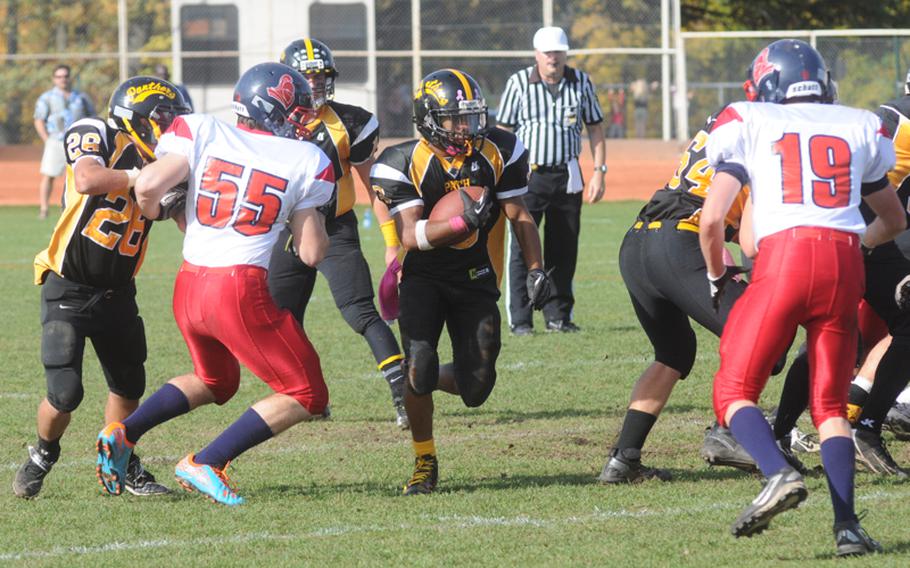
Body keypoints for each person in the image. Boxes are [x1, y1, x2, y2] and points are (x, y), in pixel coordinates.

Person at [95, 62, 335, 506]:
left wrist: (156, 210)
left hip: (189, 284)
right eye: (297, 113)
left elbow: (148, 186)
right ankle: (209, 460)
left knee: (217, 379)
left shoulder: (201, 128)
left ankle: (124, 432)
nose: (302, 122)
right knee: (307, 392)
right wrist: (315, 213)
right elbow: (311, 254)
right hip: (238, 289)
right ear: (275, 109)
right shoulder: (306, 160)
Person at [700, 39, 905, 555]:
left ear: (768, 84)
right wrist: (854, 243)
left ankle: (777, 473)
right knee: (831, 406)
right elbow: (894, 219)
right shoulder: (859, 124)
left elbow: (710, 222)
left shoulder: (747, 118)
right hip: (844, 261)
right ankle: (848, 529)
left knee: (732, 390)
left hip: (785, 257)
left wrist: (714, 273)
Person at [371, 68, 551, 495]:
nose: (467, 127)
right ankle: (424, 459)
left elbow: (519, 213)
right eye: (456, 119)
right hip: (423, 278)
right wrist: (458, 222)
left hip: (474, 277)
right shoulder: (401, 162)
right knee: (420, 365)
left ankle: (417, 374)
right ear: (430, 118)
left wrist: (536, 267)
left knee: (477, 387)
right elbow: (412, 238)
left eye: (472, 116)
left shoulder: (498, 150)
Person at [13, 76, 190, 499]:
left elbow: (183, 217)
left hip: (118, 292)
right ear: (135, 119)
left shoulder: (170, 159)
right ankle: (43, 453)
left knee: (129, 387)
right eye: (161, 120)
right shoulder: (96, 132)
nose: (168, 129)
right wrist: (141, 177)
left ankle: (123, 461)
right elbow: (89, 179)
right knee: (65, 393)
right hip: (69, 287)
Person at [765, 67, 910, 478]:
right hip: (850, 232)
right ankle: (768, 428)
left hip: (876, 238)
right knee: (826, 329)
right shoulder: (892, 120)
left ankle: (864, 427)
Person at [598, 109, 755, 483]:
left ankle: (623, 459)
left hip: (639, 238)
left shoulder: (726, 125)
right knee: (760, 337)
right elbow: (746, 235)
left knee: (674, 353)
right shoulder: (764, 135)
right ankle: (728, 432)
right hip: (681, 241)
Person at [267, 38, 408, 428]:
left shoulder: (348, 121)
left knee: (359, 311)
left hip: (333, 228)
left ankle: (403, 394)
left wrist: (391, 243)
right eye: (307, 78)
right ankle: (308, 396)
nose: (315, 85)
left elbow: (376, 187)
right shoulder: (270, 123)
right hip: (283, 231)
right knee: (282, 318)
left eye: (321, 77)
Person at [497, 26, 605, 335]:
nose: (553, 58)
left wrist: (599, 171)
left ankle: (558, 316)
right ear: (537, 55)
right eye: (547, 52)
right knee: (522, 249)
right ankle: (521, 319)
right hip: (527, 176)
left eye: (558, 52)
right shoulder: (518, 84)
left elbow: (595, 128)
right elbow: (503, 132)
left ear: (565, 53)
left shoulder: (581, 82)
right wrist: (504, 176)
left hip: (568, 175)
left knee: (564, 248)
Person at [34, 64, 95, 219]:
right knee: (49, 174)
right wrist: (46, 139)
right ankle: (44, 208)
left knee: (81, 175)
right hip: (55, 140)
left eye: (65, 76)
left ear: (70, 78)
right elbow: (39, 119)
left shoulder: (81, 97)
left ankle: (79, 207)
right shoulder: (46, 98)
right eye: (59, 76)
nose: (63, 79)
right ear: (54, 79)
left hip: (78, 142)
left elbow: (92, 117)